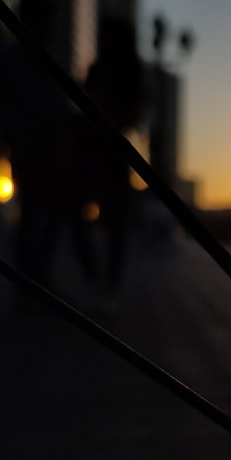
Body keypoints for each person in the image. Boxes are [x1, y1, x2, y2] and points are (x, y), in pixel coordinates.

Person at [0, 0, 71, 292]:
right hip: (31, 147)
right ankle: (31, 282)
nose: (51, 26)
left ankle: (35, 280)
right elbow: (7, 102)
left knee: (44, 213)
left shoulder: (36, 56)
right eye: (47, 20)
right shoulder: (18, 58)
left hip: (43, 147)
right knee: (36, 213)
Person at [71, 16, 146, 300]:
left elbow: (134, 112)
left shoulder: (128, 72)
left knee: (115, 223)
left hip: (110, 150)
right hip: (91, 148)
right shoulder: (98, 68)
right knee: (80, 215)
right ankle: (96, 278)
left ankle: (108, 285)